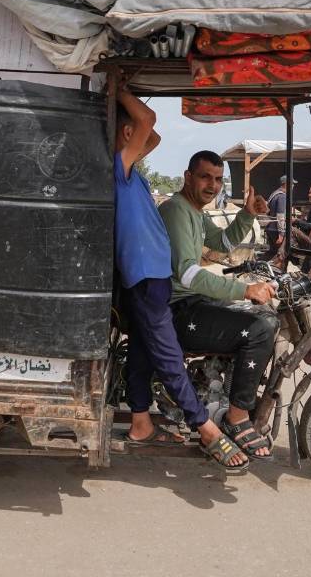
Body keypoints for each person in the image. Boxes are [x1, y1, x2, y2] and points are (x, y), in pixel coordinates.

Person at [112, 91, 247, 472]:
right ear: (124, 133)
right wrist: (118, 86)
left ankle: (140, 423)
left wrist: (131, 129)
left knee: (141, 354)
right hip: (146, 274)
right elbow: (148, 122)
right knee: (170, 358)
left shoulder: (131, 171)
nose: (213, 184)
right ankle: (205, 427)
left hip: (149, 275)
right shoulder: (118, 168)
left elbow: (150, 135)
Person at [159, 150, 279, 461]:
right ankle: (237, 417)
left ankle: (223, 394)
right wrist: (244, 289)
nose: (212, 185)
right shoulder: (176, 211)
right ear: (188, 177)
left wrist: (248, 214)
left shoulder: (195, 212)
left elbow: (223, 244)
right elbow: (187, 272)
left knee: (263, 316)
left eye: (217, 179)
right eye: (205, 177)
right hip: (178, 310)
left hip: (191, 302)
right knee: (260, 329)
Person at [262, 175, 296, 260]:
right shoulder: (282, 196)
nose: (293, 186)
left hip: (270, 228)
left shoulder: (274, 194)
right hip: (276, 230)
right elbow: (280, 215)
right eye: (292, 184)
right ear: (286, 184)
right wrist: (281, 234)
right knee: (280, 255)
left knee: (272, 253)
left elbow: (268, 211)